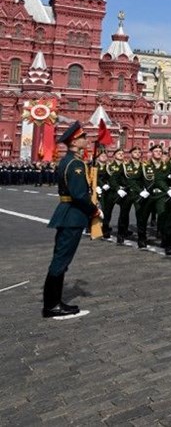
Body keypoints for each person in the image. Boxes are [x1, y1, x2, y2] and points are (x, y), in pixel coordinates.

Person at [43, 121, 97, 318]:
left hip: (68, 213)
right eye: (83, 137)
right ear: (75, 141)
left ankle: (54, 302)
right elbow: (79, 194)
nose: (86, 140)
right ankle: (51, 305)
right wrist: (94, 210)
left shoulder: (69, 160)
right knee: (61, 260)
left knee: (61, 259)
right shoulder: (74, 164)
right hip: (72, 215)